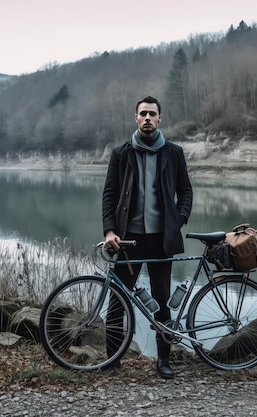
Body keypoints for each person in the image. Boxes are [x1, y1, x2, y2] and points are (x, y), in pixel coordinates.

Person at [102, 95, 193, 379]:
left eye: (152, 114)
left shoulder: (174, 153)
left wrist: (176, 222)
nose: (147, 119)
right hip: (128, 240)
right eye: (143, 114)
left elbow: (186, 192)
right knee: (118, 301)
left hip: (160, 240)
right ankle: (112, 361)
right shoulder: (121, 153)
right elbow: (109, 195)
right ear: (135, 118)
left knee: (162, 300)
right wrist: (109, 230)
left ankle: (163, 360)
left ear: (160, 118)